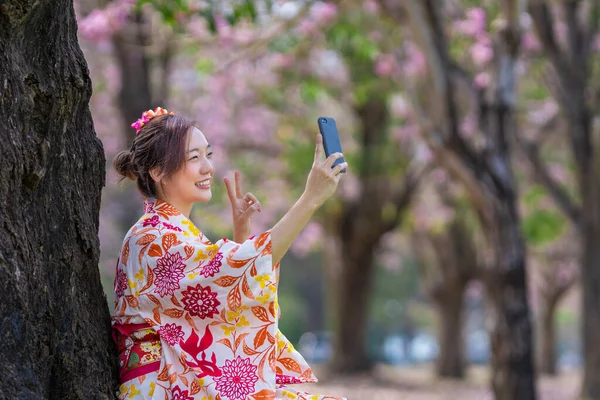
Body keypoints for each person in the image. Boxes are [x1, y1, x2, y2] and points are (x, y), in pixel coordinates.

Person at [111, 107, 349, 400]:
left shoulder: (166, 231)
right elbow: (231, 276)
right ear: (158, 171)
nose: (208, 167)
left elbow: (221, 295)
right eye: (193, 158)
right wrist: (309, 199)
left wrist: (241, 236)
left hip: (175, 380)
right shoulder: (150, 237)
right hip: (162, 385)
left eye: (208, 155)